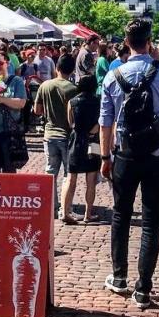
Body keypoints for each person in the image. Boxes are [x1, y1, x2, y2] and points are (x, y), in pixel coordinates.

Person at [100, 18, 159, 309]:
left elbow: (105, 122)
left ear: (125, 42)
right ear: (150, 42)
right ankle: (143, 288)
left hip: (124, 154)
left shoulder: (113, 75)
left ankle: (119, 277)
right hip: (157, 154)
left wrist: (104, 157)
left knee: (121, 216)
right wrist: (158, 61)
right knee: (150, 222)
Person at [34, 54, 81, 221]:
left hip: (49, 134)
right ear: (72, 69)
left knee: (50, 172)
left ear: (57, 68)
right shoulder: (73, 89)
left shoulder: (45, 85)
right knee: (69, 174)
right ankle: (65, 208)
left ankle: (51, 207)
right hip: (67, 136)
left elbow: (37, 110)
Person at [66, 74, 102, 223]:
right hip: (92, 142)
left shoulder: (72, 102)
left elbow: (70, 123)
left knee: (71, 177)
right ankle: (88, 214)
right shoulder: (98, 101)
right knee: (91, 180)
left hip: (76, 140)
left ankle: (66, 211)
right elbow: (100, 122)